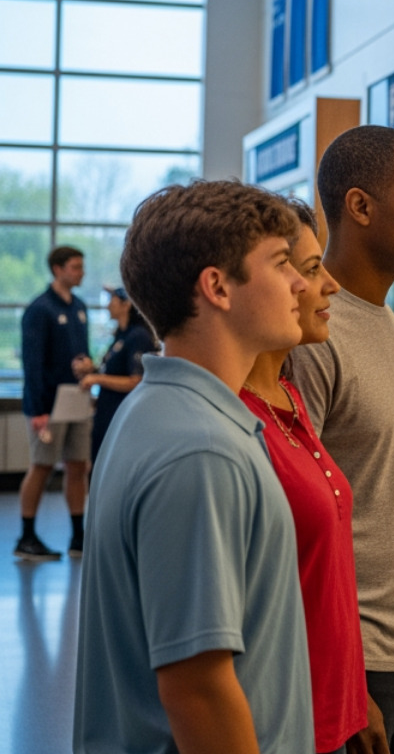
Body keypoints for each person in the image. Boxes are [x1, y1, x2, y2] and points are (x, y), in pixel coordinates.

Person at [74, 180, 312, 754]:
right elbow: (197, 688)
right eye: (282, 263)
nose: (301, 281)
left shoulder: (161, 412)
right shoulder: (201, 450)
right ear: (217, 287)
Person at [288, 125, 394, 754]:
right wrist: (339, 677)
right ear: (360, 207)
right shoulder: (313, 340)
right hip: (351, 666)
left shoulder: (384, 319)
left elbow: (384, 497)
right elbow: (297, 526)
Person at [239, 200, 368, 754]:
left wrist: (356, 699)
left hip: (331, 708)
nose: (325, 286)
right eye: (310, 269)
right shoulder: (230, 423)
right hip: (278, 723)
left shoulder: (289, 393)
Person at [16, 245, 92, 560]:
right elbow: (31, 364)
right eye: (75, 267)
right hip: (48, 402)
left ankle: (78, 535)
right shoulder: (40, 310)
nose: (81, 272)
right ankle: (27, 536)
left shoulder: (80, 307)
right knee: (42, 466)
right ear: (58, 269)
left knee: (78, 466)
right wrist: (37, 409)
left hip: (76, 399)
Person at [81, 287, 156, 465]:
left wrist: (97, 379)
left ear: (126, 305)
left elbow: (136, 381)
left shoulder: (138, 337)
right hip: (107, 413)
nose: (107, 306)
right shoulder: (120, 336)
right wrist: (92, 371)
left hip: (123, 417)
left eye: (112, 301)